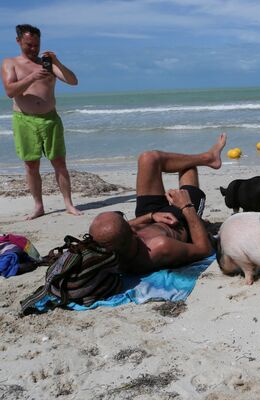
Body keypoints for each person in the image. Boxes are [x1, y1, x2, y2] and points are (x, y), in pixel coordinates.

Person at [89, 133, 227, 274]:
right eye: (123, 219)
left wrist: (151, 216)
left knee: (148, 158)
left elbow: (121, 230)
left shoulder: (115, 244)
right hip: (180, 223)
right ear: (132, 233)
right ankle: (209, 158)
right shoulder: (160, 247)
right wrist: (186, 206)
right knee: (187, 168)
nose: (130, 223)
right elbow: (204, 250)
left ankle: (208, 158)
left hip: (154, 217)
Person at [1, 24, 80, 220]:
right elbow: (10, 91)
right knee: (31, 164)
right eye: (29, 45)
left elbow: (72, 81)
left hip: (50, 118)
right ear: (19, 41)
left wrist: (57, 62)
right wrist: (33, 76)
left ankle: (68, 204)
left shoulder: (48, 64)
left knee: (59, 162)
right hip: (24, 119)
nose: (34, 49)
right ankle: (38, 206)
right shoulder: (10, 63)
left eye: (36, 45)